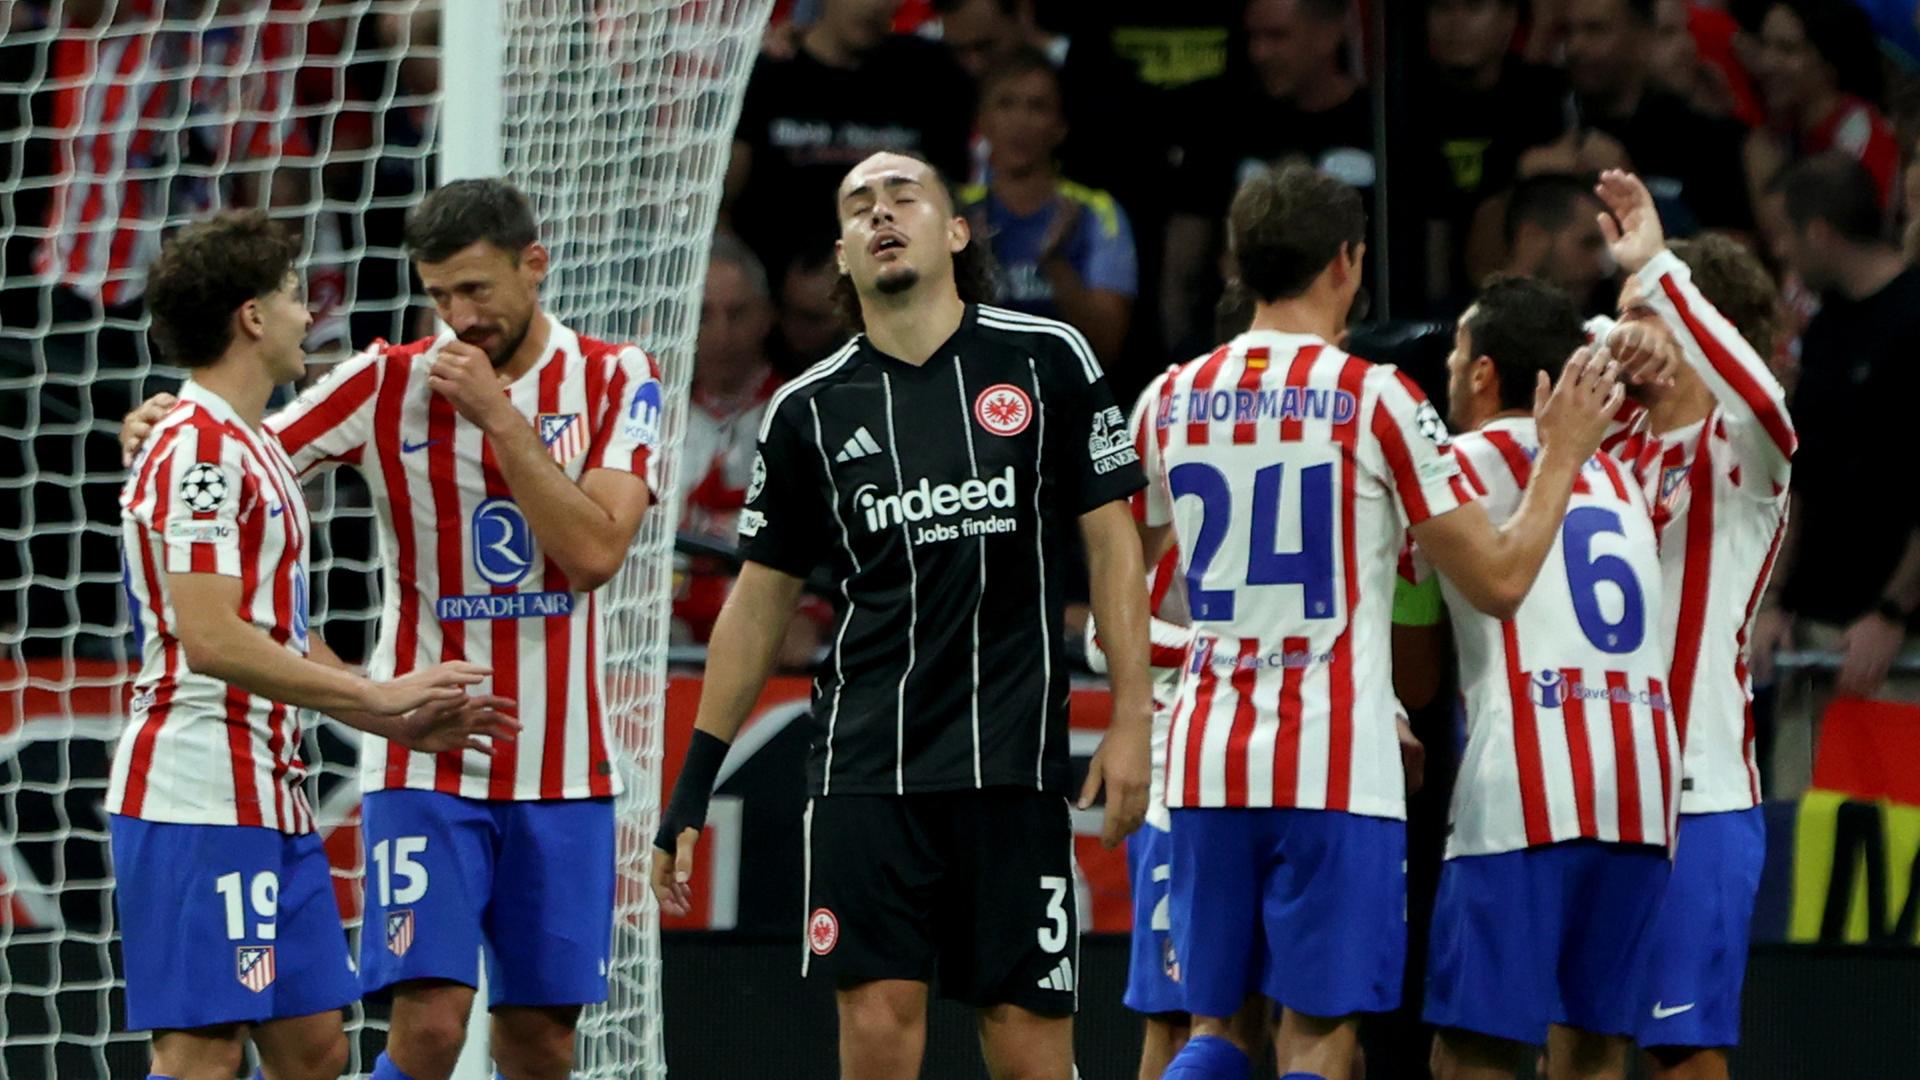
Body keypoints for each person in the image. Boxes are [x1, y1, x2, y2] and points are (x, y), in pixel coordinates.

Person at [121, 180, 662, 1080]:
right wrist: (168, 423)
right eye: (438, 294)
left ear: (535, 267)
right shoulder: (386, 381)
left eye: (476, 291)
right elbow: (240, 454)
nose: (457, 317)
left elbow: (596, 553)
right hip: (421, 754)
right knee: (431, 1027)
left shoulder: (616, 376)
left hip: (564, 767)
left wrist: (498, 417)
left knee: (538, 1043)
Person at [651, 150, 1154, 1080]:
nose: (881, 212)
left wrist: (1132, 717)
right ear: (842, 255)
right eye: (858, 206)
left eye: (903, 195)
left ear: (955, 231)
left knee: (1030, 1050)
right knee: (878, 1039)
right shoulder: (806, 408)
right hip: (864, 770)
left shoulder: (1045, 358)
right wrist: (692, 785)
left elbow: (1114, 544)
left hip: (1010, 763)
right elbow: (758, 605)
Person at [1134, 164, 1627, 1080]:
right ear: (1347, 265)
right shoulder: (1378, 399)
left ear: (1241, 263)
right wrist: (1562, 453)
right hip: (1332, 759)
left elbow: (1127, 588)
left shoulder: (1167, 397)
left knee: (1212, 1027)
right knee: (1318, 1037)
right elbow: (1501, 581)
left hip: (1204, 754)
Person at [111, 210, 508, 1080]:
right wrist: (378, 699)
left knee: (316, 1054)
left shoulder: (249, 447)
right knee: (202, 1058)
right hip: (198, 794)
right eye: (293, 295)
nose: (307, 313)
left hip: (272, 793)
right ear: (252, 316)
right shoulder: (200, 453)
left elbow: (276, 631)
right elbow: (212, 638)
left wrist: (393, 721)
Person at [1589, 171, 1795, 1080]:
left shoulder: (1741, 455)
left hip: (1696, 792)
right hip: (1589, 788)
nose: (1627, 328)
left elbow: (1760, 403)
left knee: (1681, 1055)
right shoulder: (1604, 447)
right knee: (1578, 1042)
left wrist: (1661, 270)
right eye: (1623, 308)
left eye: (1651, 311)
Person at [1754, 153, 1920, 783]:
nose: (1784, 256)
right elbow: (1803, 482)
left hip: (1893, 652)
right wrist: (1773, 601)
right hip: (1814, 645)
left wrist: (1891, 614)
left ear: (1820, 231)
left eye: (1787, 237)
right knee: (1807, 850)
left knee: (1896, 857)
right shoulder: (1822, 331)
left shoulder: (1914, 321)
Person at [1160, 0, 1374, 355]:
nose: (1260, 52)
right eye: (1254, 37)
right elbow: (1182, 268)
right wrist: (1181, 352)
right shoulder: (1220, 129)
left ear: (1329, 33)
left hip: (1366, 347)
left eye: (1277, 36)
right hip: (1239, 356)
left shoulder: (1381, 125)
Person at [726, 0, 975, 280]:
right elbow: (724, 205)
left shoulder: (932, 76)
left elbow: (953, 195)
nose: (873, 7)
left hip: (896, 281)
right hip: (777, 289)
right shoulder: (767, 75)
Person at [962, 46, 1139, 363]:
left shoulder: (1098, 213)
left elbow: (1108, 345)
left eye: (1038, 107)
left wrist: (1056, 264)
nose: (1021, 121)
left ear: (1060, 126)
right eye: (1006, 104)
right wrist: (968, 264)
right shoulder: (955, 212)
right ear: (983, 121)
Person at [1419, 0, 1572, 308]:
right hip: (1423, 288)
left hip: (1521, 283)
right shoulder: (1404, 96)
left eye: (1473, 9)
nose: (1456, 23)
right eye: (1443, 8)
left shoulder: (1542, 95)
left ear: (1508, 19)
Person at [1558, 0, 1754, 232]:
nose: (1575, 46)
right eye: (1567, 31)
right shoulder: (1544, 120)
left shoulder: (1702, 139)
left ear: (1642, 37)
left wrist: (1635, 195)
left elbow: (1729, 253)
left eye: (1595, 30)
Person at [1749, 0, 1900, 207]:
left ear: (1829, 61)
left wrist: (1757, 150)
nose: (1766, 62)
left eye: (1787, 49)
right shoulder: (1786, 126)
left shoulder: (1862, 142)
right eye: (1764, 44)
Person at [1498, 174, 1618, 316]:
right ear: (1531, 237)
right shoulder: (1473, 331)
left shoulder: (1599, 326)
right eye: (1588, 243)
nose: (1602, 266)